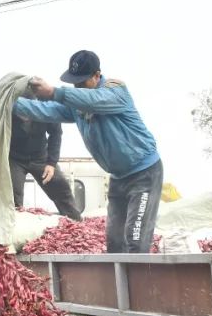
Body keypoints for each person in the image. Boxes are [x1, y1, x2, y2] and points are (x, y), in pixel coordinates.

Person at [13, 50, 162, 253]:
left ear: (97, 75)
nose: (78, 87)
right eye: (75, 83)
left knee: (135, 239)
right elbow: (45, 110)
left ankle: (141, 284)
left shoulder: (116, 91)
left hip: (144, 174)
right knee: (115, 244)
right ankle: (120, 285)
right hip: (118, 178)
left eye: (82, 82)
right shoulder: (77, 105)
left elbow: (94, 100)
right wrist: (8, 103)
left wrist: (55, 92)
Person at [8, 109, 82, 221]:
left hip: (41, 157)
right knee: (12, 194)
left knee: (60, 185)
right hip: (14, 158)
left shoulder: (46, 107)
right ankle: (13, 227)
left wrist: (51, 163)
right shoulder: (7, 106)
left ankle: (76, 222)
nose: (25, 118)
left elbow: (56, 133)